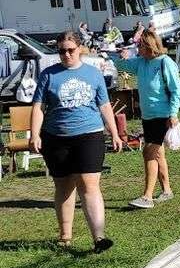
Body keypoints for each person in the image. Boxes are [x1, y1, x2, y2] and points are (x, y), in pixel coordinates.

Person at [29, 30, 122, 251]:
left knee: (89, 185)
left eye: (71, 50)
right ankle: (65, 235)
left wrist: (115, 132)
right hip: (56, 138)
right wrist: (34, 134)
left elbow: (104, 105)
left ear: (79, 48)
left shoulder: (93, 73)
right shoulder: (48, 75)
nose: (67, 55)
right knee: (64, 186)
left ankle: (99, 238)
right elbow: (38, 107)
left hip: (89, 135)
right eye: (62, 51)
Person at [116, 29, 180, 209]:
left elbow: (176, 90)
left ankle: (147, 197)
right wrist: (117, 57)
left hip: (163, 116)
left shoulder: (165, 63)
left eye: (140, 46)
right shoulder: (141, 63)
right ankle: (167, 190)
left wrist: (173, 113)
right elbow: (124, 66)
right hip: (148, 117)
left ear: (149, 46)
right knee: (158, 153)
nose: (138, 50)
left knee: (149, 152)